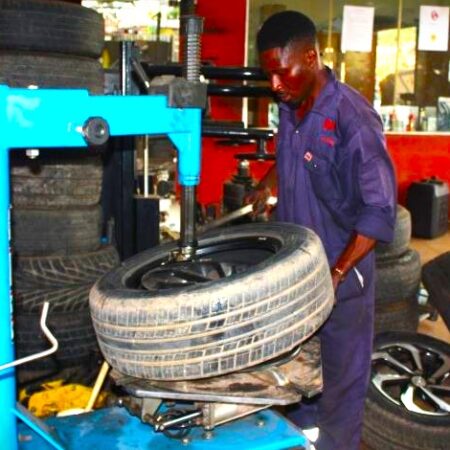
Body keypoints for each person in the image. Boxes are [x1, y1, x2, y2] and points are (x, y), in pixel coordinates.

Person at [254, 11, 397, 450]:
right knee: (298, 376)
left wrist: (334, 276)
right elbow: (295, 154)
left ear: (311, 57)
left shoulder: (354, 119)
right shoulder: (290, 104)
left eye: (282, 72)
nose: (275, 85)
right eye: (269, 75)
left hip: (342, 277)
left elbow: (379, 210)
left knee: (341, 384)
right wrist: (268, 183)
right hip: (297, 274)